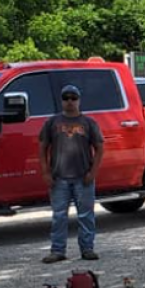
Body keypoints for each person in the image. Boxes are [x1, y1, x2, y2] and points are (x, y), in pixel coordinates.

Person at [38, 84, 104, 263]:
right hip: (59, 177)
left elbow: (99, 148)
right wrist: (46, 172)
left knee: (86, 216)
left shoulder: (89, 123)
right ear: (61, 101)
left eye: (73, 98)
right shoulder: (52, 122)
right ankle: (57, 250)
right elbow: (42, 147)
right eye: (66, 98)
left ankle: (87, 249)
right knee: (59, 216)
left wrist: (93, 172)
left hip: (83, 177)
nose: (69, 101)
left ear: (79, 100)